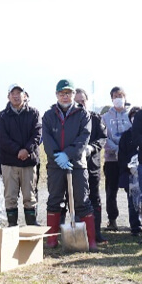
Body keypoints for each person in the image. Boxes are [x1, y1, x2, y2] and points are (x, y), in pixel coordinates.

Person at [42, 79, 96, 251]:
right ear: (57, 95)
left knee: (82, 201)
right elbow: (47, 139)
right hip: (56, 165)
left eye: (69, 93)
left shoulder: (82, 114)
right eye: (62, 93)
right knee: (54, 200)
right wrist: (58, 155)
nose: (65, 97)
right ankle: (52, 240)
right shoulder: (49, 115)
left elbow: (84, 137)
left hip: (77, 165)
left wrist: (69, 154)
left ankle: (91, 241)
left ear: (73, 95)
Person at [0, 84, 42, 226]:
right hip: (9, 162)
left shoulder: (33, 113)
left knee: (30, 196)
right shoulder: (2, 116)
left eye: (19, 93)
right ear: (8, 96)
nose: (16, 96)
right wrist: (18, 151)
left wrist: (27, 150)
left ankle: (32, 227)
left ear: (25, 95)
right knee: (10, 197)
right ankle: (12, 227)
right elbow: (2, 139)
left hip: (29, 162)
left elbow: (37, 134)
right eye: (13, 93)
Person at [74, 88, 108, 243]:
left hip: (92, 164)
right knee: (76, 200)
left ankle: (96, 232)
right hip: (74, 166)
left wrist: (91, 148)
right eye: (77, 101)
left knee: (95, 198)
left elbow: (102, 138)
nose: (80, 104)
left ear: (87, 101)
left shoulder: (96, 118)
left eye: (83, 101)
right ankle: (78, 233)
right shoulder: (70, 120)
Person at [101, 86, 132, 231]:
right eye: (115, 96)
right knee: (111, 191)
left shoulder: (131, 115)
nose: (118, 98)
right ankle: (112, 220)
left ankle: (135, 220)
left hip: (128, 160)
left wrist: (125, 151)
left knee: (131, 190)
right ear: (111, 99)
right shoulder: (105, 117)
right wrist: (116, 149)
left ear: (125, 97)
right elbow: (104, 138)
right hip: (111, 159)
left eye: (120, 95)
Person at [117, 106, 142, 236]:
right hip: (131, 174)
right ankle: (135, 227)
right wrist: (126, 171)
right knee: (133, 202)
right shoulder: (126, 136)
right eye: (132, 116)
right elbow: (121, 156)